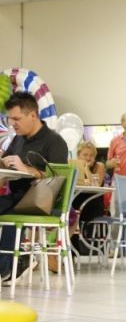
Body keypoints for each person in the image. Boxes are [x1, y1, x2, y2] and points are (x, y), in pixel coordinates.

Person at [0, 91, 68, 281]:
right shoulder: (18, 139)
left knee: (13, 216)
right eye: (10, 119)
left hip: (42, 202)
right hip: (18, 197)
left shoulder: (55, 142)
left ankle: (6, 269)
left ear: (33, 115)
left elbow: (59, 178)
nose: (12, 123)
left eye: (16, 118)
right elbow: (7, 164)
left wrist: (28, 170)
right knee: (11, 209)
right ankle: (14, 264)